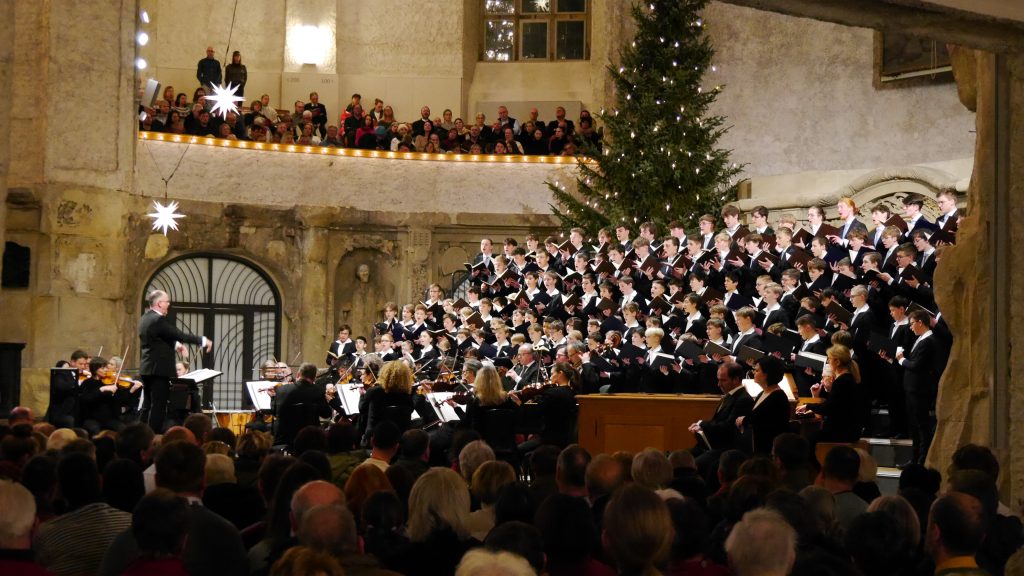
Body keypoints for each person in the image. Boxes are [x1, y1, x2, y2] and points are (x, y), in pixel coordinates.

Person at [139, 290, 212, 433]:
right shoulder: (158, 319)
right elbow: (179, 334)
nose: (168, 304)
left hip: (147, 368)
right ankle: (153, 437)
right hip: (159, 370)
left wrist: (176, 345)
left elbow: (157, 338)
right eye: (167, 302)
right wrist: (202, 340)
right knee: (158, 407)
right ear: (160, 304)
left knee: (147, 406)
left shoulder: (145, 318)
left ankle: (141, 435)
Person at [796, 345, 865, 443]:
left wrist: (808, 406)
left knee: (806, 441)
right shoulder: (848, 378)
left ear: (837, 362)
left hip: (843, 432)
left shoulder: (842, 381)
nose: (828, 362)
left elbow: (829, 408)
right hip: (848, 430)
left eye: (829, 360)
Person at [736, 355, 790, 455]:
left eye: (757, 370)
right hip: (757, 444)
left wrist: (744, 420)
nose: (753, 372)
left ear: (767, 374)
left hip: (767, 450)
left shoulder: (778, 397)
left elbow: (762, 421)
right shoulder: (763, 393)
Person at [274, 363, 332, 448]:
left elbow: (276, 412)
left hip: (286, 436)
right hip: (310, 438)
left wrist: (272, 398)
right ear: (314, 378)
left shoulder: (281, 390)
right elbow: (326, 414)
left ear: (298, 374)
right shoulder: (318, 391)